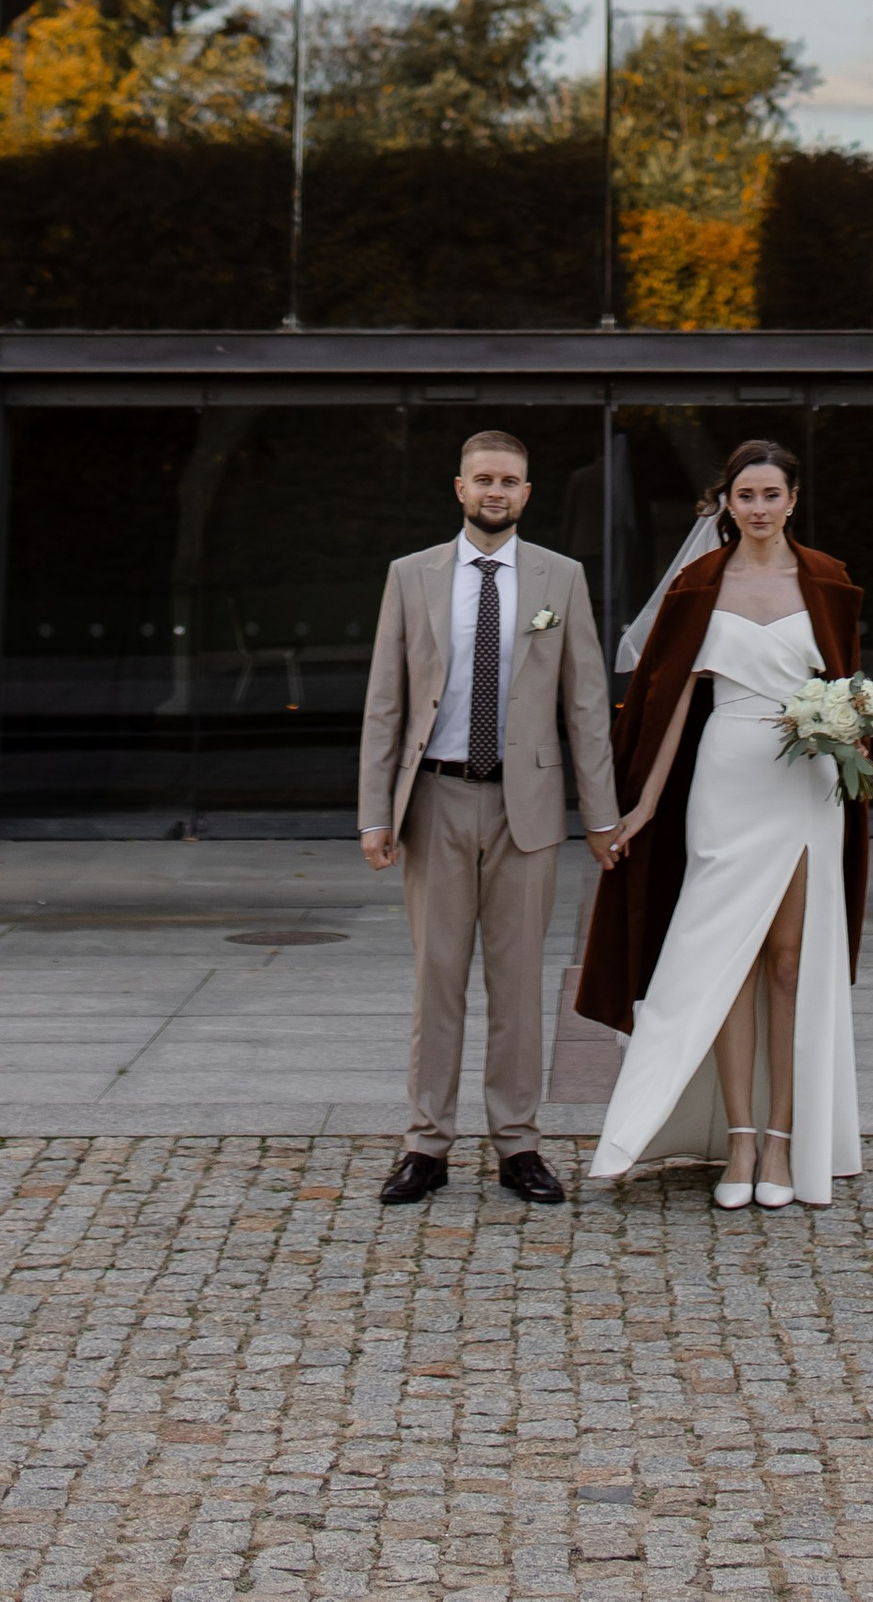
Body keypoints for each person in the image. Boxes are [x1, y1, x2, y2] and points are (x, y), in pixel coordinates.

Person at [579, 440, 865, 1210]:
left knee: (787, 960)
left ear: (792, 500)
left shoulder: (828, 579)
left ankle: (781, 1141)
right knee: (727, 961)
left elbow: (852, 686)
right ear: (727, 503)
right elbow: (668, 704)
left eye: (772, 494)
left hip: (806, 786)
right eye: (747, 496)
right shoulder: (698, 582)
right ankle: (738, 1141)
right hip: (726, 778)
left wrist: (851, 727)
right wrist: (638, 807)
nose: (760, 508)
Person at [358, 426, 620, 1207]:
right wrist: (376, 812)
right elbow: (385, 702)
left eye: (509, 481)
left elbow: (585, 703)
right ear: (461, 488)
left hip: (527, 808)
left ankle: (518, 1145)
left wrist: (602, 816)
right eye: (483, 480)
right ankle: (426, 1144)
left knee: (516, 987)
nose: (496, 492)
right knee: (437, 981)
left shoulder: (560, 578)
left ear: (527, 494)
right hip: (434, 800)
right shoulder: (411, 577)